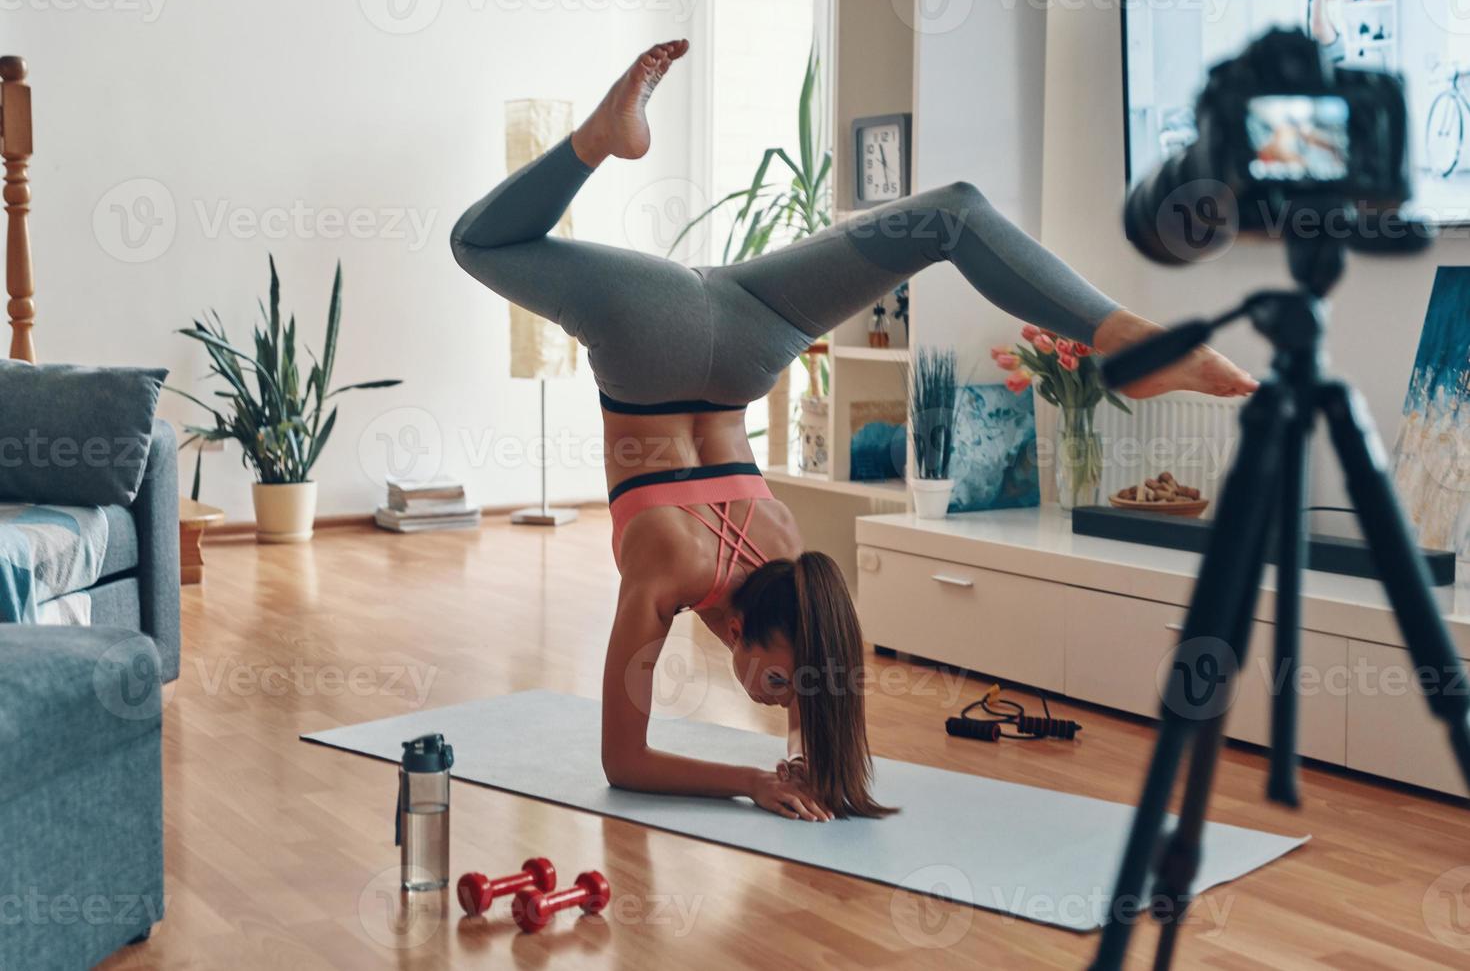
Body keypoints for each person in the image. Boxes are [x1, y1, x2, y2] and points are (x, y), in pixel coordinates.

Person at [451, 40, 1257, 822]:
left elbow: (797, 655)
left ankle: (1117, 334)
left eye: (783, 692)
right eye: (786, 688)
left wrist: (799, 748)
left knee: (953, 214)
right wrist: (752, 780)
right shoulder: (672, 572)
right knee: (477, 243)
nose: (782, 702)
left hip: (743, 330)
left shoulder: (789, 550)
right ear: (742, 628)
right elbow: (624, 764)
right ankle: (596, 140)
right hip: (656, 336)